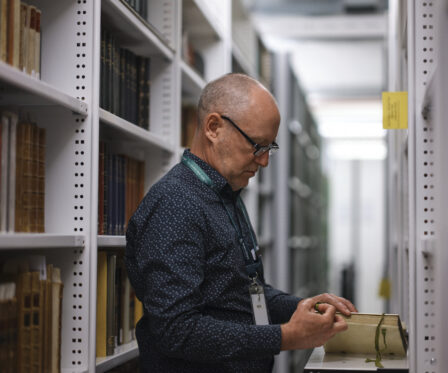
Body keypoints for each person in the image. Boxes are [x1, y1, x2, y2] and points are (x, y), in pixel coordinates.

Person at [125, 73, 357, 372]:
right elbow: (176, 330)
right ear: (213, 127)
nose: (264, 161)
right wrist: (286, 336)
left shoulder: (225, 194)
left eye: (269, 148)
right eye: (257, 145)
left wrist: (304, 308)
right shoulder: (176, 204)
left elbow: (243, 292)